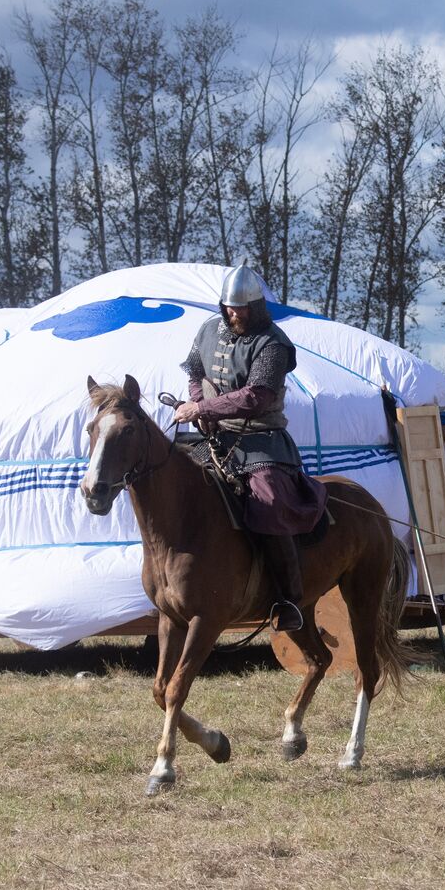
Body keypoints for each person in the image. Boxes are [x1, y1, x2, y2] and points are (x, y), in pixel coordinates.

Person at [173, 262, 326, 632]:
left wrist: (203, 407)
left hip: (261, 439)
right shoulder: (209, 329)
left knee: (269, 503)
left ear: (256, 307)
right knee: (173, 484)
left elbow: (257, 396)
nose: (232, 313)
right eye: (228, 306)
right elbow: (195, 373)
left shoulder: (273, 343)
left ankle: (291, 600)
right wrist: (200, 407)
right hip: (214, 437)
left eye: (239, 308)